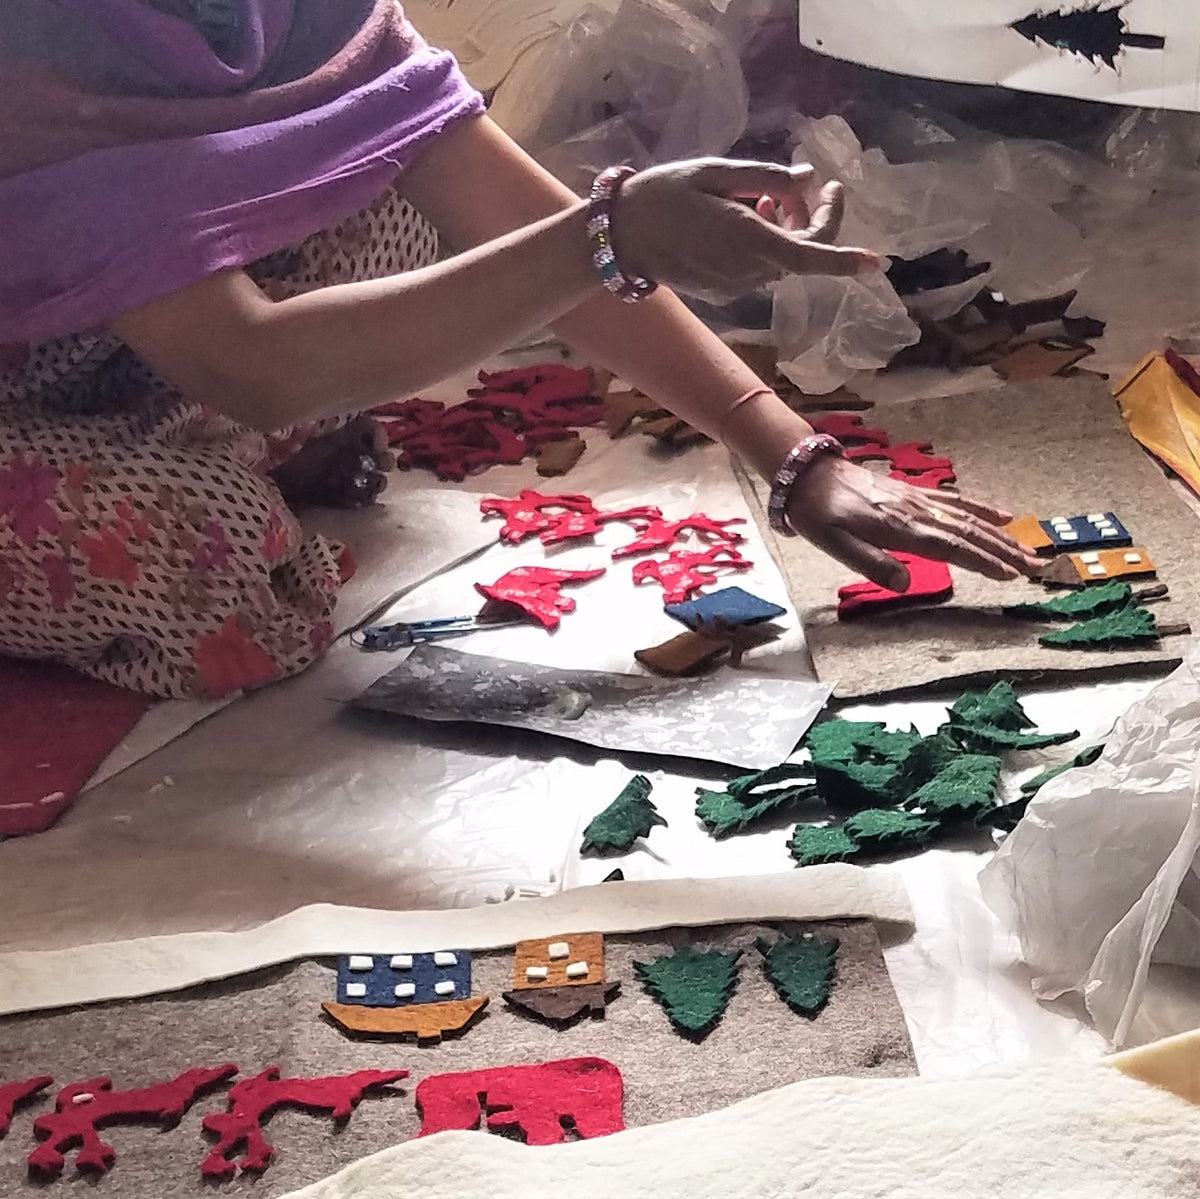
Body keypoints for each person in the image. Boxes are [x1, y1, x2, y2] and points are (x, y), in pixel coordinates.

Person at [0, 0, 1037, 700]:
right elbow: (254, 369)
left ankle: (165, 440)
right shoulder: (39, 50)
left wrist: (795, 454)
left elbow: (501, 209)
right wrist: (614, 236)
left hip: (123, 315)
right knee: (221, 557)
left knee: (399, 207)